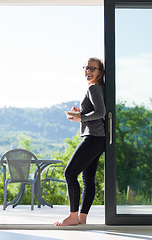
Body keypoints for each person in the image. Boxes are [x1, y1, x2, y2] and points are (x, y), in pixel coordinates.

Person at [55, 57, 106, 226]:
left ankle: (73, 216)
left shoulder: (93, 88)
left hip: (93, 138)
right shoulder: (98, 88)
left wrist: (80, 117)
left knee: (69, 173)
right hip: (98, 139)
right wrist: (81, 113)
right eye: (86, 68)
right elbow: (96, 112)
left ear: (100, 72)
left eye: (93, 68)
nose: (88, 71)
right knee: (87, 179)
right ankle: (82, 218)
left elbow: (101, 112)